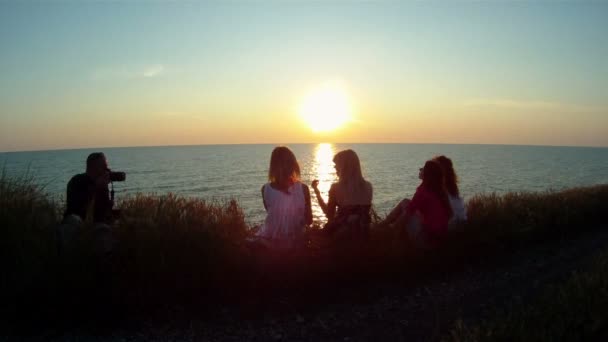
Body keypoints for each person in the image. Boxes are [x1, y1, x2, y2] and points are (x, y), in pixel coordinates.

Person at [381, 159, 452, 248]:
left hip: (427, 241)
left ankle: (384, 228)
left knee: (406, 209)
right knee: (406, 202)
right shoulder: (440, 191)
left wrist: (393, 228)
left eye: (422, 168)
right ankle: (384, 224)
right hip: (441, 239)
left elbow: (407, 214)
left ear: (427, 174)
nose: (420, 169)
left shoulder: (423, 191)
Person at [255, 146, 313, 249]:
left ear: (273, 166)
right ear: (294, 165)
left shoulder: (265, 189)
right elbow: (309, 220)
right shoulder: (303, 189)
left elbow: (272, 216)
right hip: (296, 239)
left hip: (270, 238)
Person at [312, 149, 373, 240]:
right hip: (363, 236)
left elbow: (329, 215)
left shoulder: (336, 188)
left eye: (336, 165)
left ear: (343, 167)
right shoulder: (368, 187)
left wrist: (317, 192)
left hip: (341, 237)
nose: (335, 168)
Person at [63, 152, 115, 224]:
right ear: (93, 167)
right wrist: (96, 186)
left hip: (97, 223)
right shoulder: (77, 181)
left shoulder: (102, 184)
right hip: (77, 222)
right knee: (73, 220)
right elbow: (77, 208)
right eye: (104, 167)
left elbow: (103, 211)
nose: (107, 170)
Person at [433, 155, 467, 227]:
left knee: (406, 206)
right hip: (457, 227)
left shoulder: (441, 192)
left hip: (446, 229)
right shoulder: (452, 189)